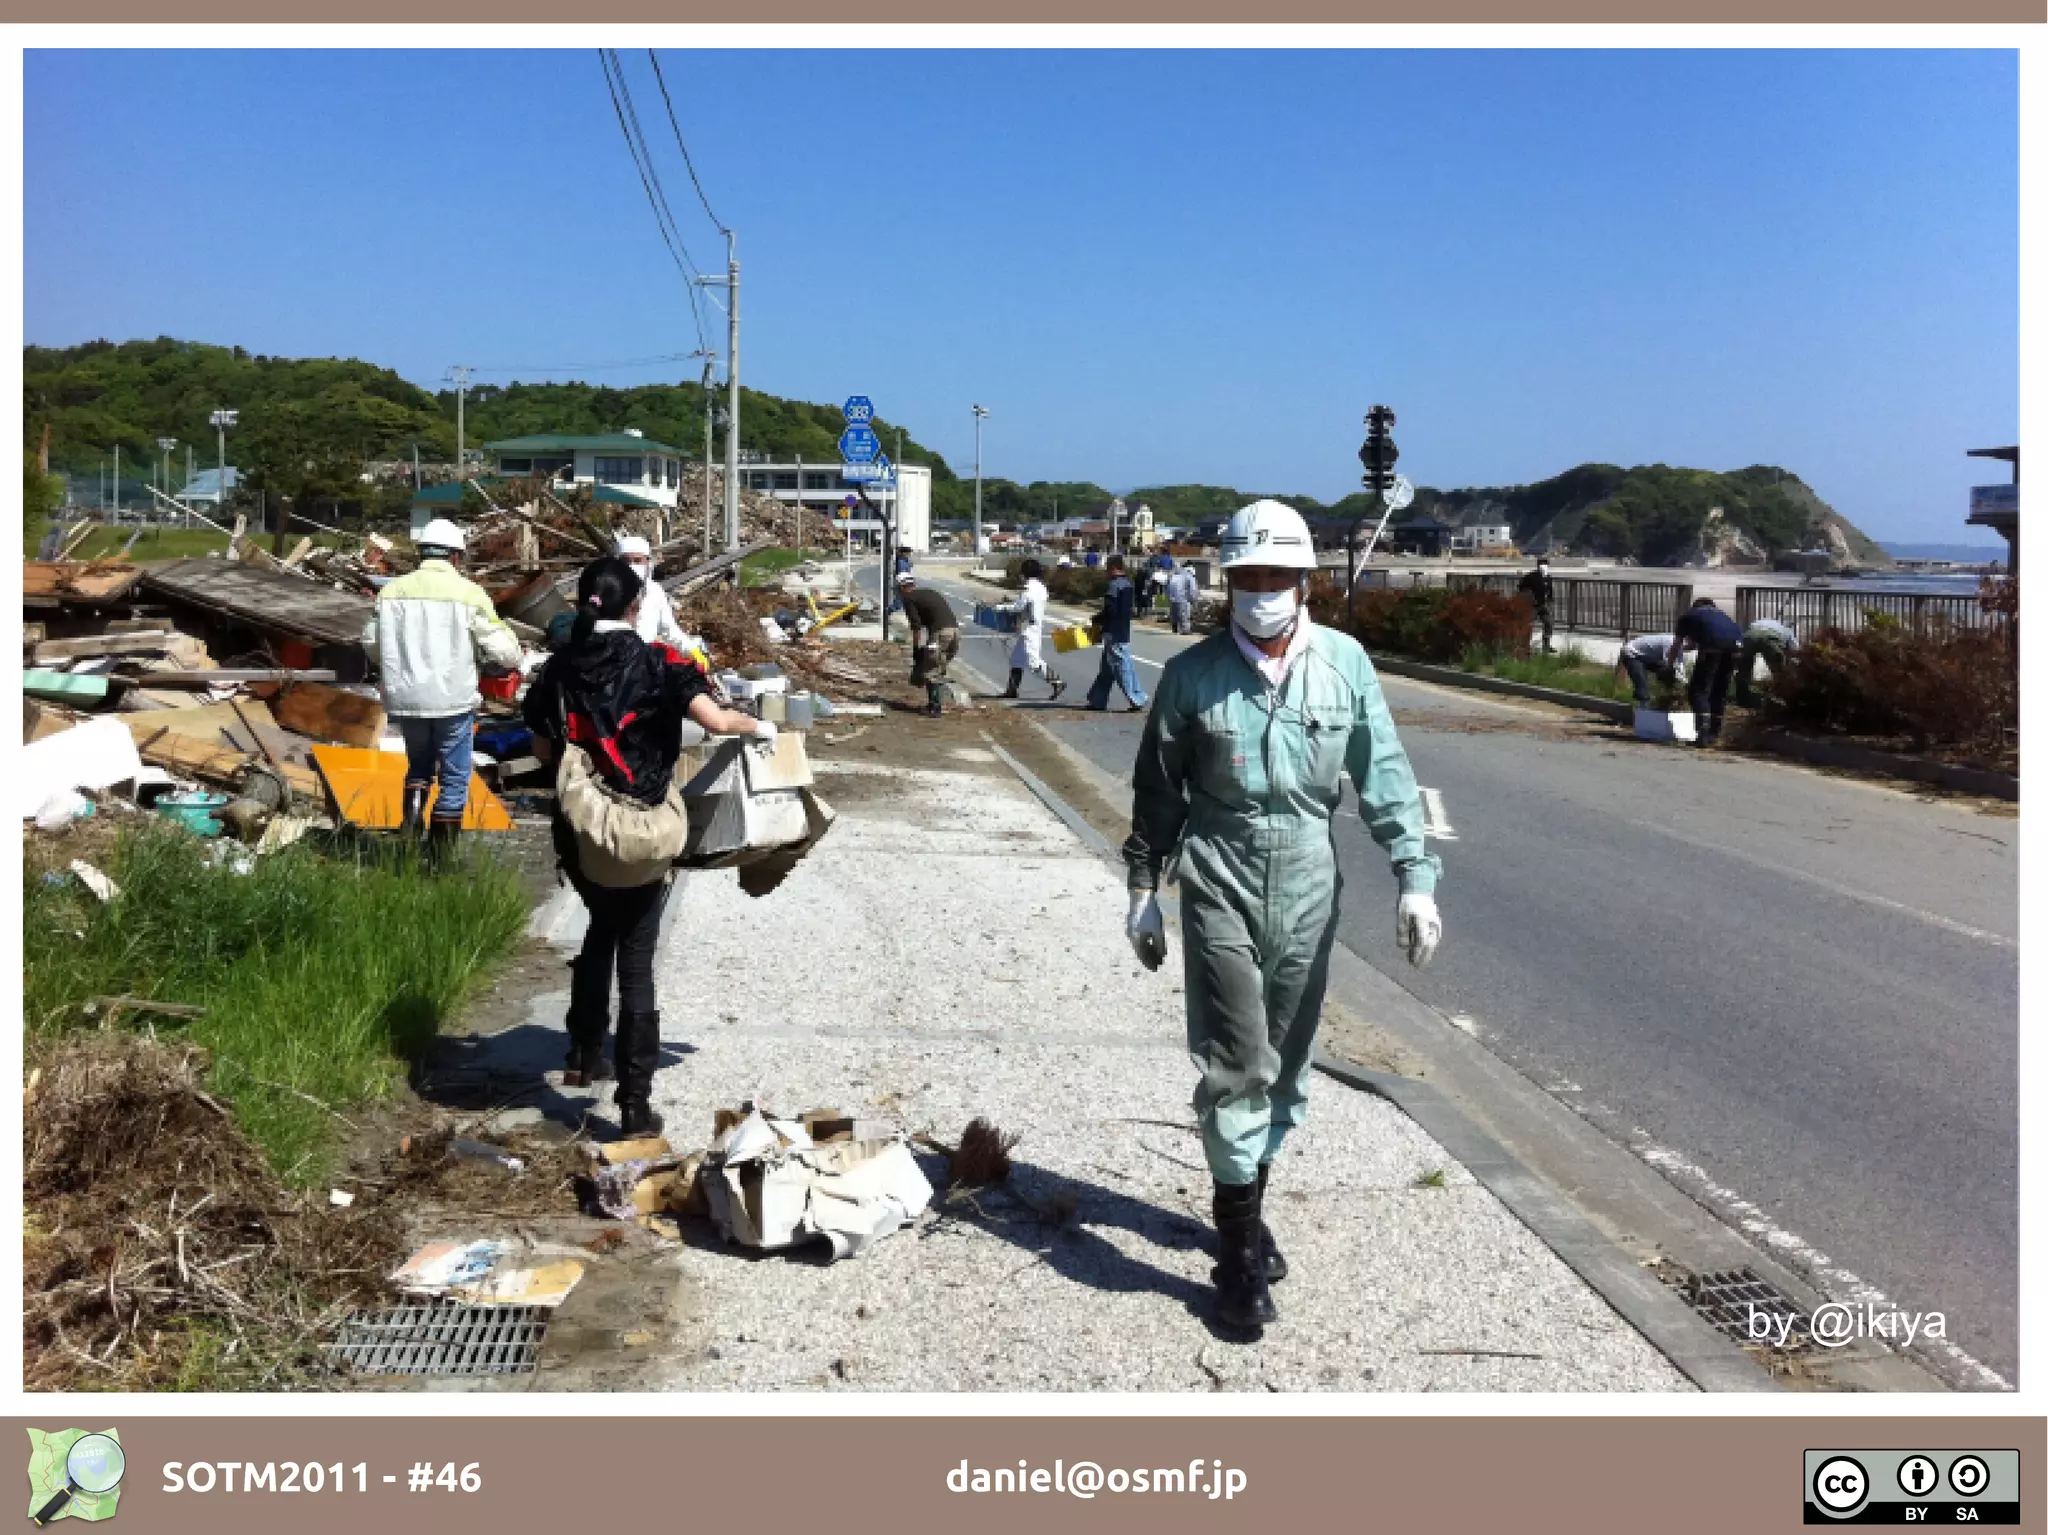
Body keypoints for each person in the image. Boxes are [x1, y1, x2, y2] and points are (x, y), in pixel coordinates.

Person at [1123, 500, 1442, 1332]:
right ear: (1226, 582)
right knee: (1236, 1060)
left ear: (1307, 583)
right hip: (1221, 869)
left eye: (1276, 577)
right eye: (1246, 578)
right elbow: (1158, 790)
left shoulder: (1344, 664)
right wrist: (1142, 890)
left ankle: (1245, 1206)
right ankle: (1233, 1259)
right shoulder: (1193, 676)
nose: (1260, 592)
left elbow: (1384, 770)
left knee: (1288, 1064)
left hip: (1309, 876)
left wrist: (1414, 874)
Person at [523, 556, 776, 1133]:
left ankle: (585, 1051)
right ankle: (634, 1108)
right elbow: (714, 721)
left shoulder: (558, 668)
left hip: (584, 833)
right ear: (636, 605)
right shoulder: (660, 661)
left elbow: (542, 751)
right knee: (636, 961)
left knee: (599, 927)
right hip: (645, 831)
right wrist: (759, 728)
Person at [362, 517, 523, 856]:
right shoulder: (468, 593)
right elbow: (505, 652)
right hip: (453, 700)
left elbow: (372, 644)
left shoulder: (391, 591)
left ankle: (410, 830)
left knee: (418, 764)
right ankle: (439, 858)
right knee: (454, 775)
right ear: (455, 557)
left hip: (406, 700)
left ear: (422, 553)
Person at [1668, 597, 1745, 746]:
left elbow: (1677, 644)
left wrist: (1669, 665)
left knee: (1698, 691)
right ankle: (1714, 734)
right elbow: (1693, 644)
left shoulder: (1689, 616)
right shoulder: (1722, 615)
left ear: (1695, 606)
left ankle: (1702, 734)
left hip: (1712, 650)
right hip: (1736, 650)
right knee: (1719, 691)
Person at [1085, 554, 1150, 712]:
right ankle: (1097, 700)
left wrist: (1098, 620)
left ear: (1113, 569)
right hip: (1122, 630)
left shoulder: (1114, 586)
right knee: (1107, 670)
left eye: (1107, 569)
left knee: (1122, 668)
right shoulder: (1127, 584)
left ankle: (1137, 698)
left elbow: (1110, 610)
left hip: (1114, 633)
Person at [1002, 558, 1066, 701]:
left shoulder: (1029, 588)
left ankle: (1057, 682)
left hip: (1029, 629)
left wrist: (1002, 607)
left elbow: (1018, 607)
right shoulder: (1041, 587)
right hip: (1031, 627)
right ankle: (1011, 690)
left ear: (1024, 573)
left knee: (1033, 662)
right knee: (1016, 660)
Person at [896, 572, 960, 717]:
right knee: (938, 667)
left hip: (941, 634)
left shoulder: (909, 598)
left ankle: (935, 708)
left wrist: (916, 648)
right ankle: (936, 704)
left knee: (931, 671)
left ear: (901, 588)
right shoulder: (929, 592)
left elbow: (916, 627)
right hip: (955, 633)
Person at [614, 535, 688, 651]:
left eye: (637, 561)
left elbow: (670, 630)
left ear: (647, 562)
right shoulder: (608, 589)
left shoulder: (655, 591)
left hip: (646, 659)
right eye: (626, 561)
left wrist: (690, 648)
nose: (631, 566)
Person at [1736, 616, 1798, 707]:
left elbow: (1747, 632)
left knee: (1744, 669)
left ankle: (1742, 698)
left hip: (1750, 635)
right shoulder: (1786, 630)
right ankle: (1780, 697)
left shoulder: (1758, 622)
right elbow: (1795, 650)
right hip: (1771, 637)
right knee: (1778, 671)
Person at [1618, 631, 1685, 708]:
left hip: (1647, 657)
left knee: (1669, 673)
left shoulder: (1679, 646)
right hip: (1631, 654)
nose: (1694, 649)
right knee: (1641, 681)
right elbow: (1668, 663)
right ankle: (1644, 706)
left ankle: (1667, 696)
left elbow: (1679, 667)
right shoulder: (1671, 643)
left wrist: (1684, 685)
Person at [1517, 556, 1556, 654]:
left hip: (1543, 605)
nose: (1544, 566)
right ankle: (1524, 645)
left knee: (1549, 623)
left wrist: (1550, 600)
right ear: (1538, 565)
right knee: (1528, 625)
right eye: (1542, 564)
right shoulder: (1531, 576)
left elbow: (1550, 590)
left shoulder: (1548, 577)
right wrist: (1527, 597)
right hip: (1532, 606)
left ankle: (1546, 645)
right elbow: (1521, 586)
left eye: (1545, 564)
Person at [1166, 562, 1200, 635]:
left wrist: (1169, 596)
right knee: (1184, 614)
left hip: (1172, 598)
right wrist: (1194, 601)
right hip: (1183, 598)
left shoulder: (1175, 574)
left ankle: (1174, 627)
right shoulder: (1189, 577)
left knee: (1174, 614)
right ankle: (1185, 629)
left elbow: (1168, 587)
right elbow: (1193, 590)